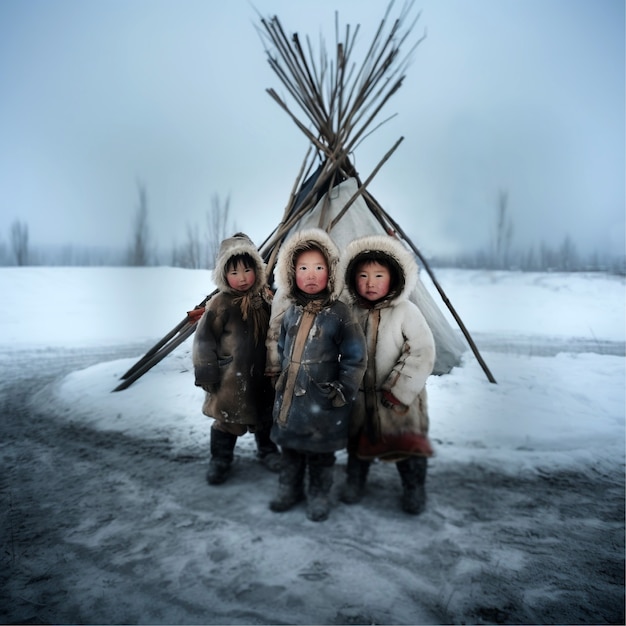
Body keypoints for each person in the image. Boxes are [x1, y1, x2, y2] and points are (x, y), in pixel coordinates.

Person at [266, 228, 367, 522]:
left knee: (321, 455)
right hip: (291, 399)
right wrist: (281, 377)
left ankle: (319, 494)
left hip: (323, 399)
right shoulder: (291, 312)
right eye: (303, 268)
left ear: (331, 272)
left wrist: (341, 389)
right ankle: (289, 489)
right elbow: (283, 347)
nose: (311, 275)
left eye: (319, 267)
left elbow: (355, 357)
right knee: (291, 449)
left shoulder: (340, 314)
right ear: (291, 273)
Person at [339, 234, 436, 515]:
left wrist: (399, 389)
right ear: (352, 279)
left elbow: (421, 352)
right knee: (359, 445)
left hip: (398, 404)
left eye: (379, 275)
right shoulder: (351, 312)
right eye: (363, 276)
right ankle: (355, 481)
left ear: (394, 278)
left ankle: (414, 486)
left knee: (408, 448)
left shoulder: (406, 312)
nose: (370, 283)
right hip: (360, 400)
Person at [193, 232, 281, 485]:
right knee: (227, 421)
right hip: (231, 378)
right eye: (234, 272)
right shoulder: (220, 303)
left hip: (263, 376)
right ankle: (220, 459)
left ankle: (268, 451)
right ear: (223, 275)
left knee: (266, 418)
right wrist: (207, 371)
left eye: (247, 270)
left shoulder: (266, 298)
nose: (242, 278)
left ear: (257, 269)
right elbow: (204, 340)